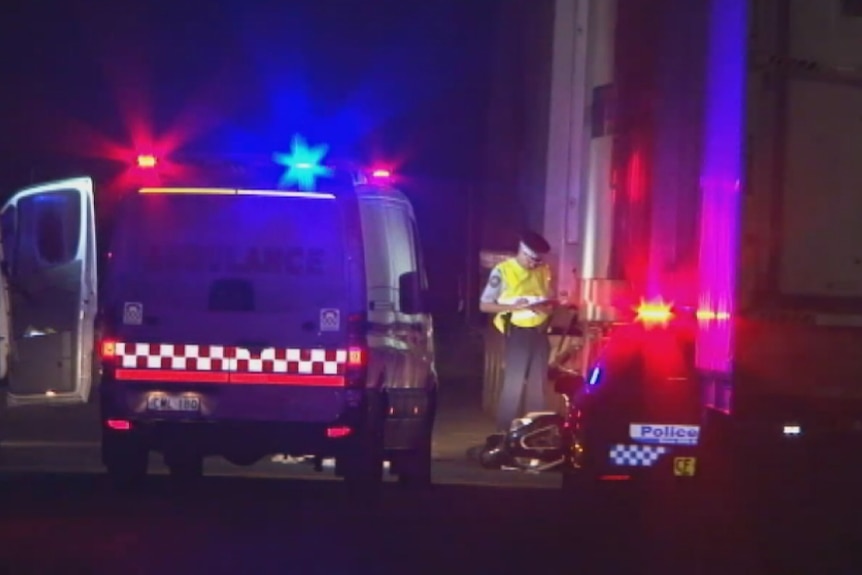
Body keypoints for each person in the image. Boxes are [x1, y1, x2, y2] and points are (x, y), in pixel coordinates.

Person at [480, 231, 556, 432]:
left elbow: (549, 299)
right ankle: (504, 433)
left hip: (539, 331)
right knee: (513, 385)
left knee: (537, 387)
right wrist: (514, 307)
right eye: (532, 260)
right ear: (522, 252)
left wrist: (545, 307)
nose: (534, 265)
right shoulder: (503, 271)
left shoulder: (543, 270)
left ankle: (533, 432)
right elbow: (485, 305)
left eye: (538, 261)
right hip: (516, 331)